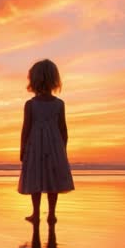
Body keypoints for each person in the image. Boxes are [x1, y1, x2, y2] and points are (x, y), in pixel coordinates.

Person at [18, 58, 74, 223]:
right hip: (54, 146)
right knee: (52, 180)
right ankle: (51, 214)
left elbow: (26, 129)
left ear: (34, 80)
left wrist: (22, 148)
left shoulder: (31, 104)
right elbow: (63, 129)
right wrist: (62, 148)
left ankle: (36, 214)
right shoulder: (58, 104)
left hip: (35, 146)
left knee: (36, 178)